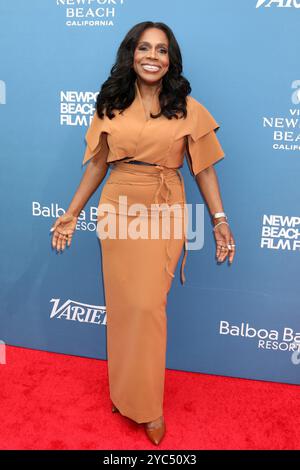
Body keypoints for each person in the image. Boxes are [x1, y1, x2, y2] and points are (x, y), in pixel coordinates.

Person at [50, 21, 236, 446]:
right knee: (122, 307)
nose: (153, 56)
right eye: (145, 48)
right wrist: (71, 213)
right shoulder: (110, 104)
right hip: (118, 206)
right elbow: (98, 164)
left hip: (165, 205)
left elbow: (202, 167)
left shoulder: (187, 107)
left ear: (171, 59)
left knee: (148, 307)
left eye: (162, 50)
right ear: (131, 54)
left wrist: (219, 219)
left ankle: (148, 406)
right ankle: (124, 393)